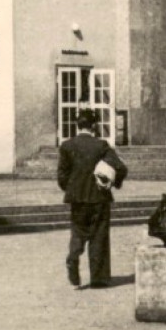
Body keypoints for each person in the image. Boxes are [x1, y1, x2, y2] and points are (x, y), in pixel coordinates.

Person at [58, 109, 128, 288]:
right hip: (99, 197)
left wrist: (72, 188)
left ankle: (73, 255)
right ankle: (99, 278)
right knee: (99, 236)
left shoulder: (67, 146)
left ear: (77, 125)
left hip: (77, 198)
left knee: (78, 231)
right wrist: (114, 183)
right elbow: (120, 168)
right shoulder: (101, 145)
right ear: (94, 125)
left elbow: (62, 176)